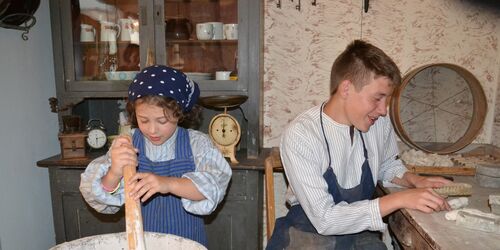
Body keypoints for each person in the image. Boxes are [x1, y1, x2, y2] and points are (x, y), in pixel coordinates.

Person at [266, 40, 452, 250]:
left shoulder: (378, 124)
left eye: (387, 100)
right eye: (378, 98)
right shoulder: (302, 134)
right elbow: (325, 219)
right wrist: (399, 199)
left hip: (358, 234)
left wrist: (415, 181)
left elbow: (388, 166)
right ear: (346, 88)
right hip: (308, 234)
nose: (383, 110)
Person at [80, 65, 232, 247]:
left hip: (187, 245)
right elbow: (98, 195)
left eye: (162, 120)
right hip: (142, 243)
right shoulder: (127, 145)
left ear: (180, 113)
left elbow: (214, 186)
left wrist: (167, 183)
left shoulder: (197, 145)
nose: (152, 129)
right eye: (143, 120)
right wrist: (114, 172)